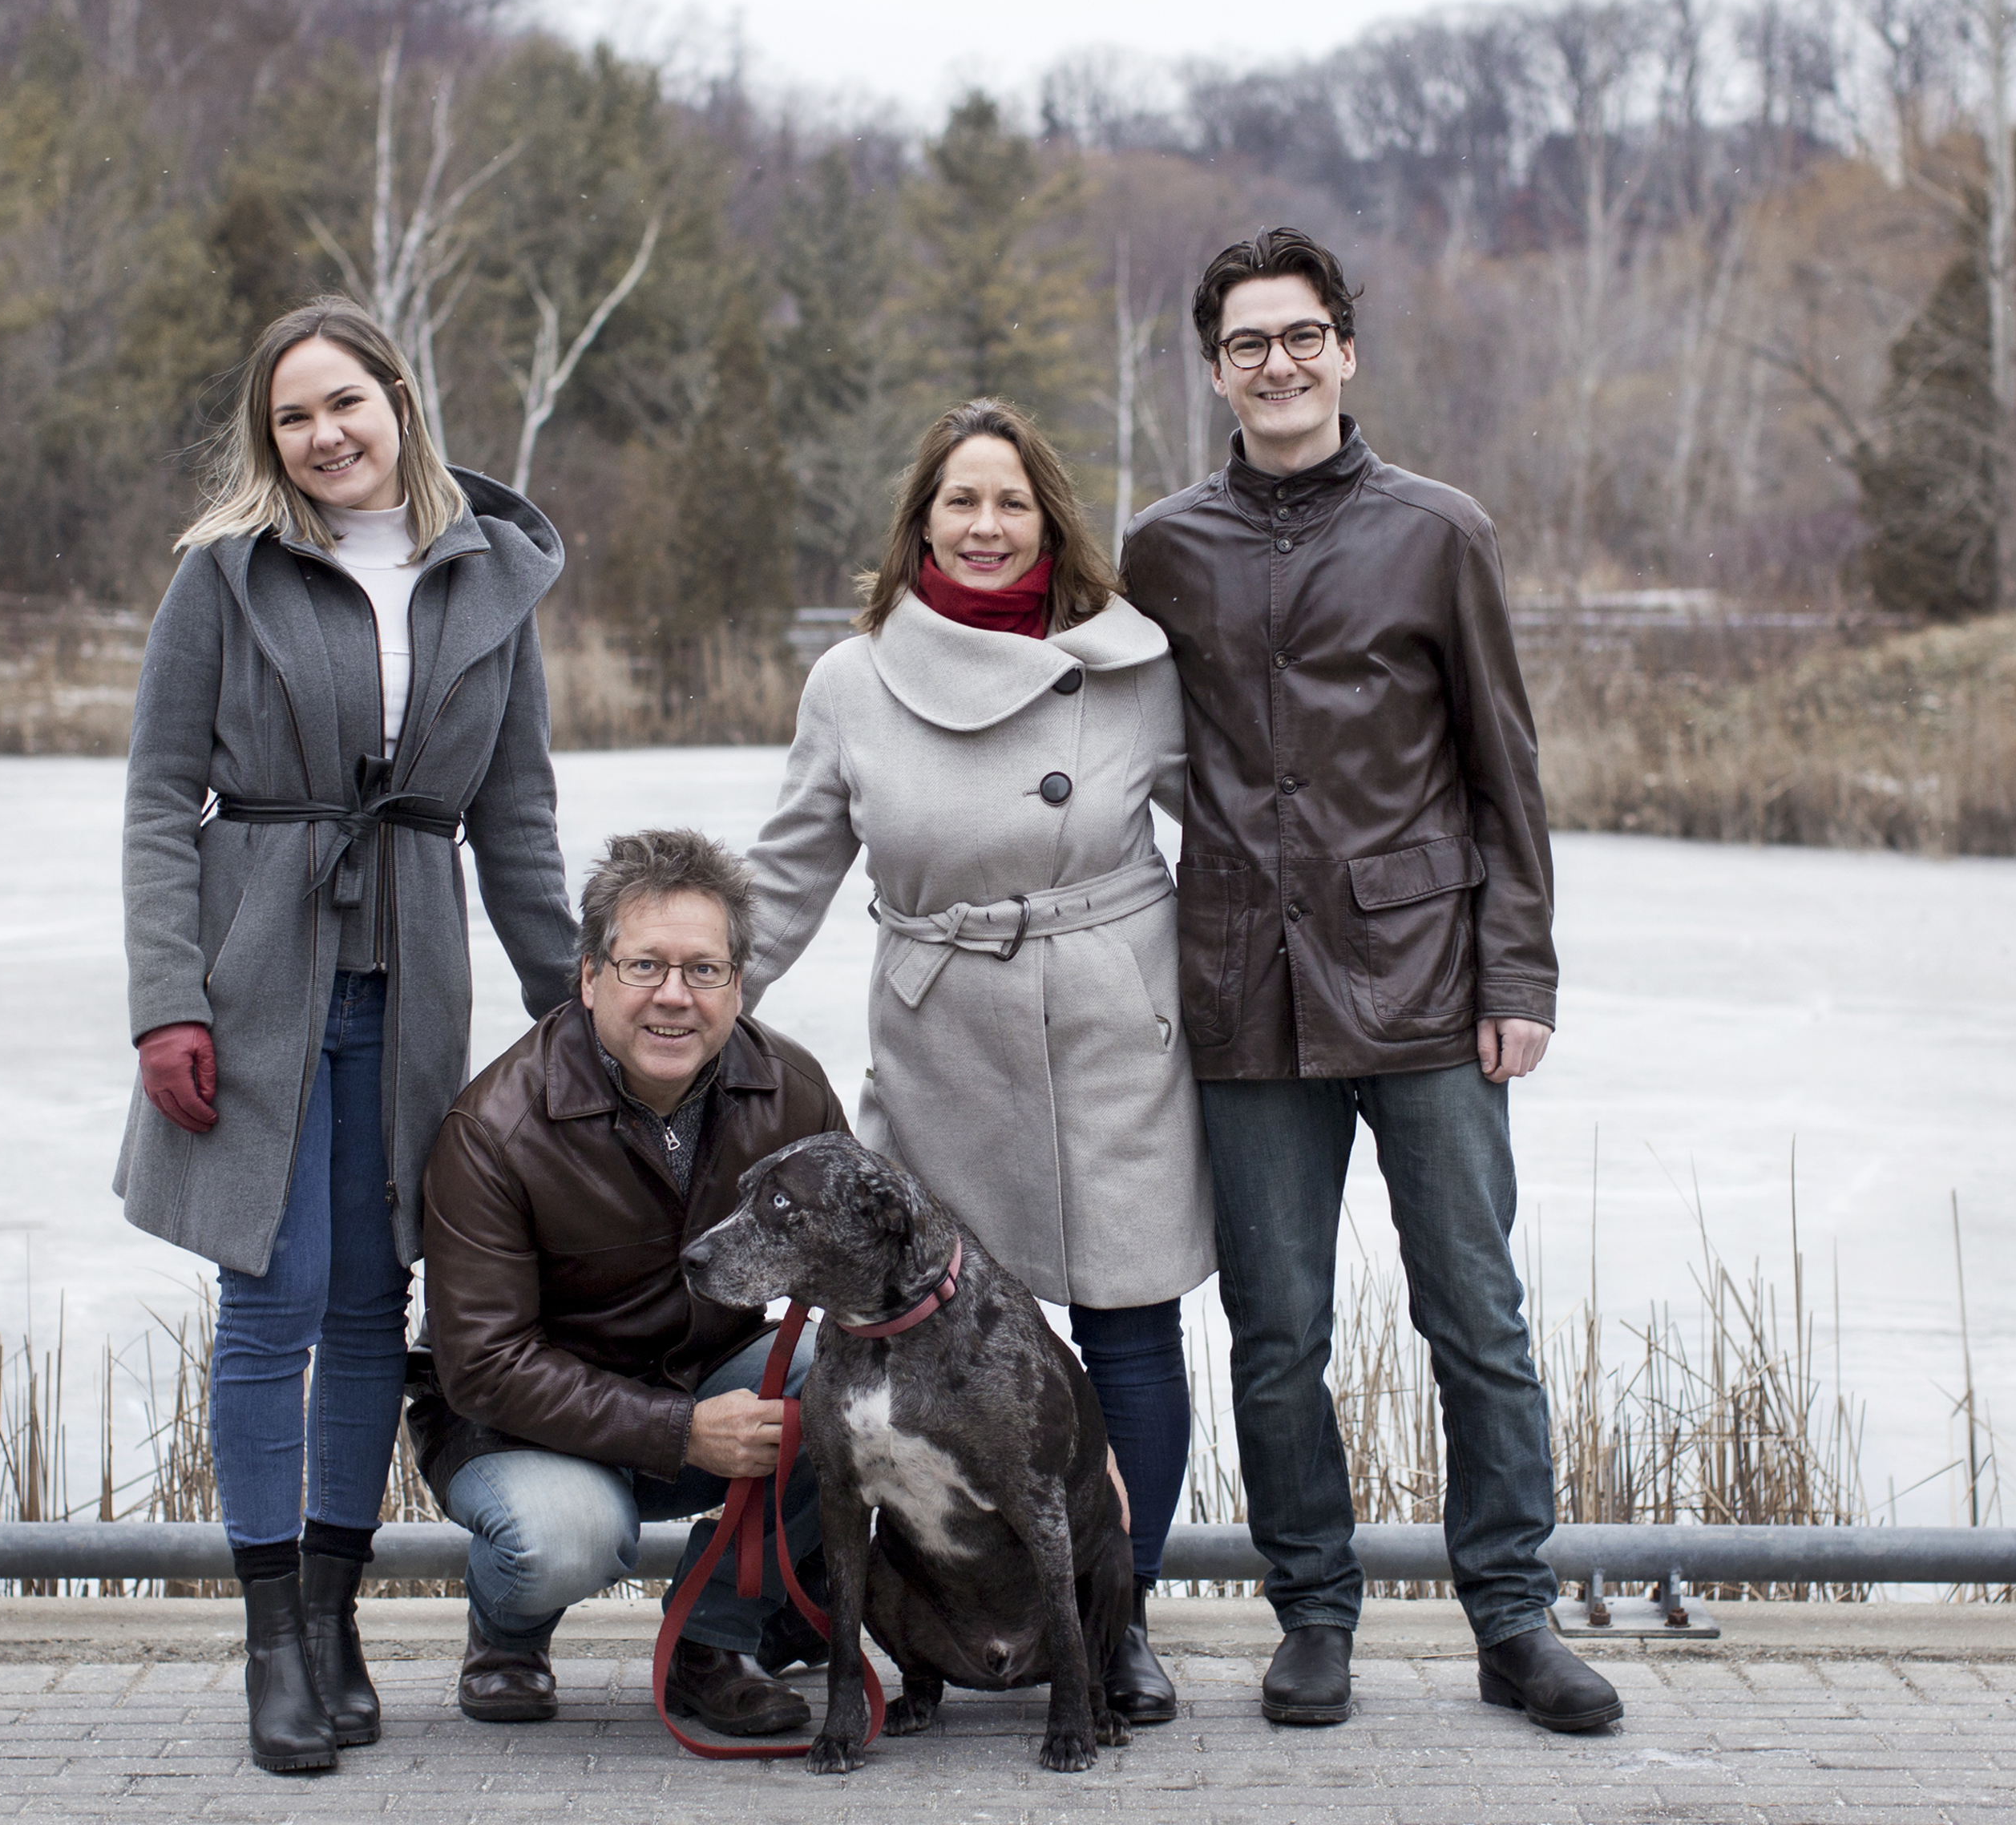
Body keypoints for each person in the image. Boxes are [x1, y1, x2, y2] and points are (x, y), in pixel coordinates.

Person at [1120, 228, 1621, 1731]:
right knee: (1277, 1336)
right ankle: (1314, 1617)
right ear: (1215, 370)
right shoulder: (1163, 550)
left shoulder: (1439, 530)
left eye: (1302, 336)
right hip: (1244, 992)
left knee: (1477, 1319)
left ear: (1346, 350)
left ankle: (1514, 1620)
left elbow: (1503, 767)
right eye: (1247, 344)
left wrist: (1518, 973)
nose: (1278, 363)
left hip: (1426, 984)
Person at [114, 296, 580, 1775]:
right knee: (276, 1293)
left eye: (345, 404)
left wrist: (569, 1004)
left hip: (413, 970)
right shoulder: (226, 575)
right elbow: (157, 798)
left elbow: (516, 815)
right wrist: (167, 1001)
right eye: (293, 417)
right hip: (259, 970)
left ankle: (334, 1615)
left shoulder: (490, 579)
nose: (324, 437)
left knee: (377, 1299)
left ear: (400, 402)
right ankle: (270, 1638)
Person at [740, 398, 1210, 1726]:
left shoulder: (1131, 663)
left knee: (1129, 1321)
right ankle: (906, 1614)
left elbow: (1241, 834)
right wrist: (685, 1005)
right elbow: (788, 872)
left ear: (1052, 521)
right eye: (963, 501)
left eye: (1014, 501)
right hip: (940, 1031)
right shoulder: (854, 680)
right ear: (922, 522)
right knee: (906, 1335)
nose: (988, 525)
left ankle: (1118, 1619)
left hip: (1111, 1022)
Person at [415, 829, 853, 1735]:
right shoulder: (493, 1128)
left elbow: (869, 1279)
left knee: (851, 1378)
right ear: (588, 978)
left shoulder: (793, 1091)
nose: (673, 996)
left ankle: (712, 1643)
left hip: (700, 1383)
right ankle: (508, 1634)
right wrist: (682, 1431)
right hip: (516, 1430)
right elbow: (482, 1365)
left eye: (703, 970)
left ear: (738, 984)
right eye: (644, 965)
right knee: (564, 1541)